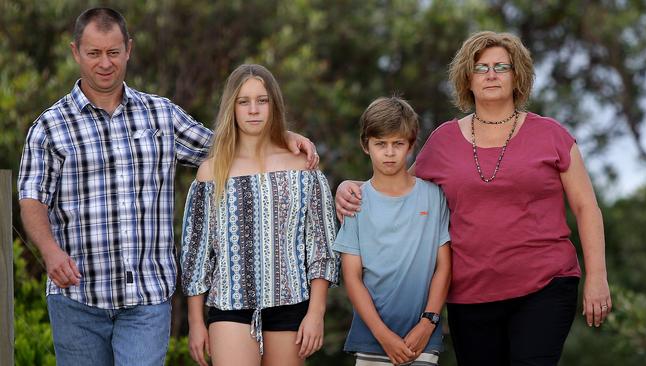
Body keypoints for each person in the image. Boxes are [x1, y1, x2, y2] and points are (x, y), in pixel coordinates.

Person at [17, 8, 317, 366]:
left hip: (147, 297)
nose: (105, 63)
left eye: (113, 52)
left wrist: (281, 137)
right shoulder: (49, 127)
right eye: (94, 53)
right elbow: (32, 197)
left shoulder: (160, 115)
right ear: (75, 52)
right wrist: (50, 252)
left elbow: (228, 148)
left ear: (128, 49)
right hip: (77, 298)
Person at [336, 31, 611, 366]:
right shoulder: (443, 141)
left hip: (545, 285)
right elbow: (398, 183)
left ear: (517, 76)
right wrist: (350, 185)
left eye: (501, 67)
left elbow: (586, 207)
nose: (491, 75)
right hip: (470, 294)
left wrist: (597, 277)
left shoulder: (552, 135)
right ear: (467, 78)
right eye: (481, 68)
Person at [180, 64, 340, 366]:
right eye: (244, 101)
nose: (254, 110)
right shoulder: (211, 173)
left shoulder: (302, 168)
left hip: (291, 305)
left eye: (262, 100)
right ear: (233, 107)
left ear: (274, 105)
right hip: (229, 306)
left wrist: (316, 313)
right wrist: (196, 322)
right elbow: (198, 256)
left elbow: (322, 247)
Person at [332, 97, 451, 366]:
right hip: (372, 341)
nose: (389, 152)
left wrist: (428, 322)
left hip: (421, 339)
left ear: (411, 145)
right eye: (380, 144)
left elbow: (444, 267)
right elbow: (352, 276)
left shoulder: (434, 197)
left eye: (398, 144)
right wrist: (382, 335)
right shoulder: (355, 201)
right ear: (366, 145)